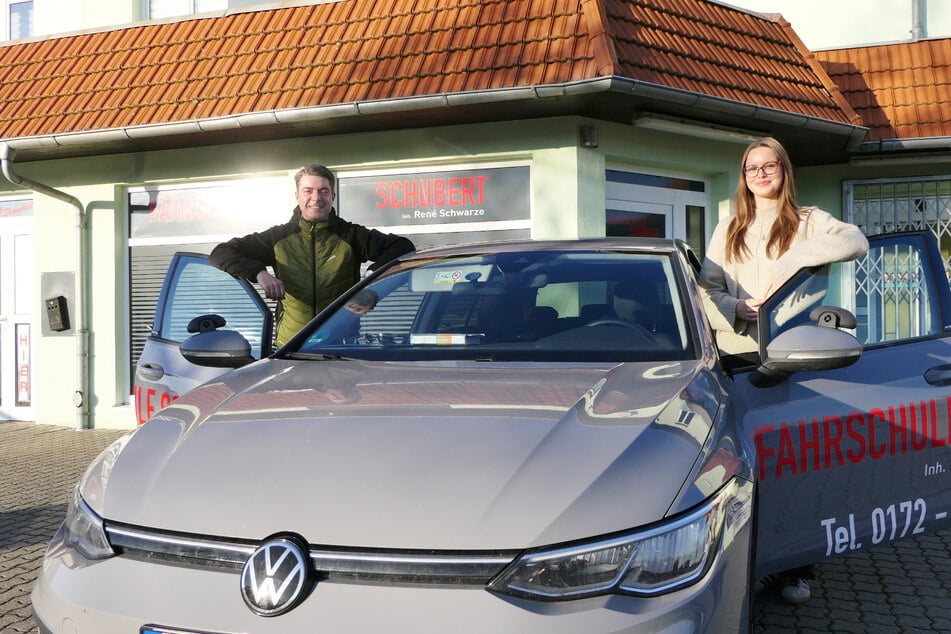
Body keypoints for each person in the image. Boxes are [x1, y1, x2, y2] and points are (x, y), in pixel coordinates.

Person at [698, 137, 869, 605]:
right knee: (743, 467)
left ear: (784, 170)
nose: (761, 174)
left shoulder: (811, 221)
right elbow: (706, 289)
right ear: (744, 175)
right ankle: (744, 561)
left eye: (769, 165)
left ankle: (795, 566)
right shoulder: (729, 226)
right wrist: (738, 307)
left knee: (792, 466)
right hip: (737, 358)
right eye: (752, 168)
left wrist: (795, 258)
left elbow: (856, 241)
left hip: (794, 355)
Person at [210, 164, 415, 347]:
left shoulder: (351, 236)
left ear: (333, 196)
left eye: (323, 191)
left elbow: (403, 246)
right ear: (298, 195)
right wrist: (259, 273)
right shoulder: (278, 238)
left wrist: (371, 288)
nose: (316, 198)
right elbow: (221, 253)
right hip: (290, 349)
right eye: (308, 191)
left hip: (340, 347)